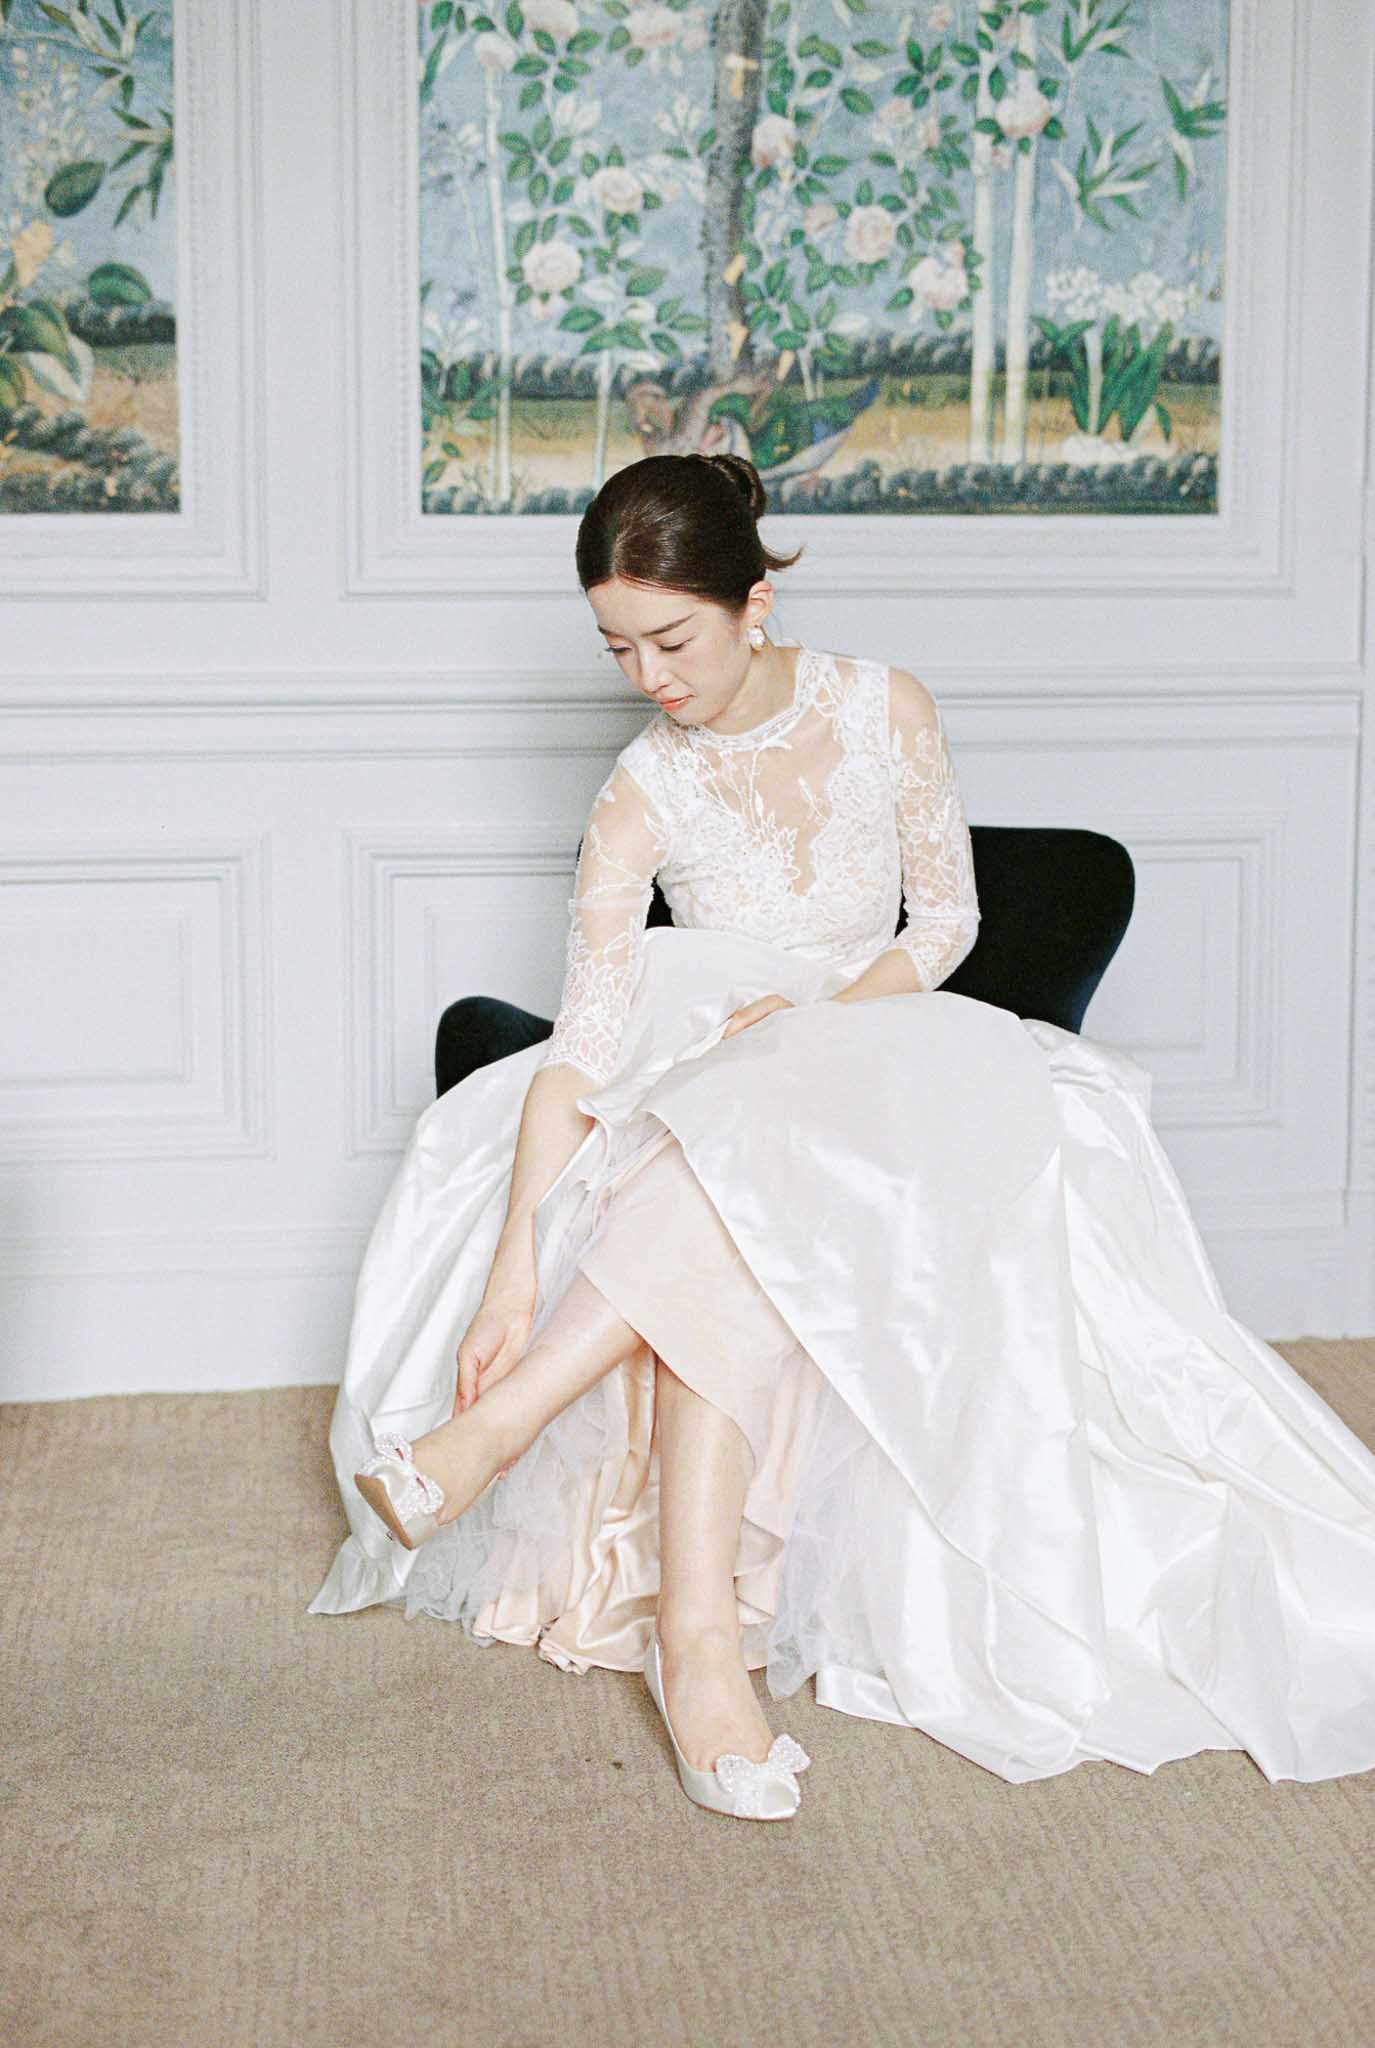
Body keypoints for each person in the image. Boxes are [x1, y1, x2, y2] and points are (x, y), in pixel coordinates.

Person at [309, 451, 1375, 1820]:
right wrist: (515, 1265)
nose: (649, 680)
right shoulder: (644, 786)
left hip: (883, 1030)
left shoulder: (885, 709)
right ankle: (697, 1640)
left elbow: (946, 927)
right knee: (727, 1144)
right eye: (618, 648)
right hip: (705, 1049)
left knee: (765, 1113)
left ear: (754, 603)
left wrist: (817, 1014)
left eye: (671, 639)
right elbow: (585, 1044)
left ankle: (514, 1451)